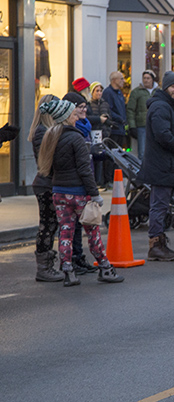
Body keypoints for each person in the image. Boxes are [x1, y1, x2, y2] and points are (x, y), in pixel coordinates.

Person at [36, 99, 123, 286]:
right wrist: (95, 194)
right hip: (78, 193)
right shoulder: (76, 138)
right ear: (67, 117)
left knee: (65, 233)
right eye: (74, 114)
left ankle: (67, 270)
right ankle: (105, 268)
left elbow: (47, 168)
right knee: (93, 232)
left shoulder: (51, 137)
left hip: (59, 192)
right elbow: (85, 170)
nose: (77, 116)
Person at [139, 71, 174, 261]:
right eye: (173, 86)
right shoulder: (161, 107)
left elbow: (172, 133)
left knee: (161, 204)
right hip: (161, 165)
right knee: (159, 205)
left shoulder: (167, 106)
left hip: (166, 164)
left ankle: (160, 243)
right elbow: (163, 135)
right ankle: (156, 245)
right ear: (165, 87)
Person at [62, 92, 101, 276]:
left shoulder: (84, 126)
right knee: (78, 227)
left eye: (85, 106)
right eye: (80, 107)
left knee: (77, 226)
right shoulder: (71, 132)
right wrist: (94, 192)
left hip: (83, 182)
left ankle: (77, 258)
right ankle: (75, 261)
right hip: (74, 186)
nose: (84, 110)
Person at [28, 94, 63, 282]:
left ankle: (47, 265)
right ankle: (44, 267)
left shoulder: (45, 130)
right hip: (45, 184)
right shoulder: (43, 131)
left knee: (50, 225)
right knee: (47, 226)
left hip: (47, 183)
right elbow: (47, 160)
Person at [86, 81, 112, 187]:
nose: (99, 93)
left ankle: (101, 181)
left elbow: (109, 117)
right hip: (93, 133)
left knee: (102, 157)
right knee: (93, 157)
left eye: (101, 91)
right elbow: (87, 118)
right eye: (97, 91)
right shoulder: (89, 105)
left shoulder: (105, 103)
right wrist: (98, 120)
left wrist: (108, 125)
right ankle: (95, 181)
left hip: (103, 133)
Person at [127, 70, 158, 158]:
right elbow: (130, 110)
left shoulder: (158, 91)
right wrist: (132, 126)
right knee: (142, 152)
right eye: (144, 78)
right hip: (142, 125)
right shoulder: (136, 92)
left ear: (152, 79)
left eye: (148, 78)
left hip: (155, 124)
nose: (146, 80)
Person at [102, 71, 128, 148]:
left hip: (120, 129)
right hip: (113, 129)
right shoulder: (108, 93)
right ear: (114, 80)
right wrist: (119, 118)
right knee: (113, 152)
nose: (124, 81)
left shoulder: (119, 92)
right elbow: (108, 110)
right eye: (121, 79)